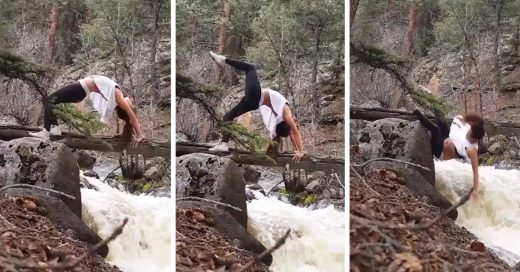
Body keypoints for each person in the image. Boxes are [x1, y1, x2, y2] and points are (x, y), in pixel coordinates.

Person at [208, 51, 305, 162]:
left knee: (250, 68)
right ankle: (224, 144)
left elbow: (294, 132)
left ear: (287, 124)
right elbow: (292, 134)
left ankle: (223, 60)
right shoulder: (282, 120)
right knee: (228, 117)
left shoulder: (286, 114)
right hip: (254, 103)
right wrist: (298, 149)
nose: (295, 123)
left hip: (256, 96)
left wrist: (300, 151)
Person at [29, 75, 143, 146]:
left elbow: (133, 119)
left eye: (131, 104)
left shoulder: (120, 99)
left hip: (81, 89)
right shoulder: (117, 95)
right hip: (81, 90)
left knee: (49, 101)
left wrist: (139, 136)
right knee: (52, 102)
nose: (131, 101)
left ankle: (46, 132)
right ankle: (54, 129)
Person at [414, 109, 485, 200]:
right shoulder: (467, 127)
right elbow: (462, 119)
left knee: (436, 129)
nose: (469, 134)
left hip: (440, 152)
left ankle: (418, 115)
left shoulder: (472, 150)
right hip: (445, 139)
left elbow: (476, 172)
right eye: (470, 131)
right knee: (440, 117)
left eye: (471, 135)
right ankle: (428, 115)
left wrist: (475, 192)